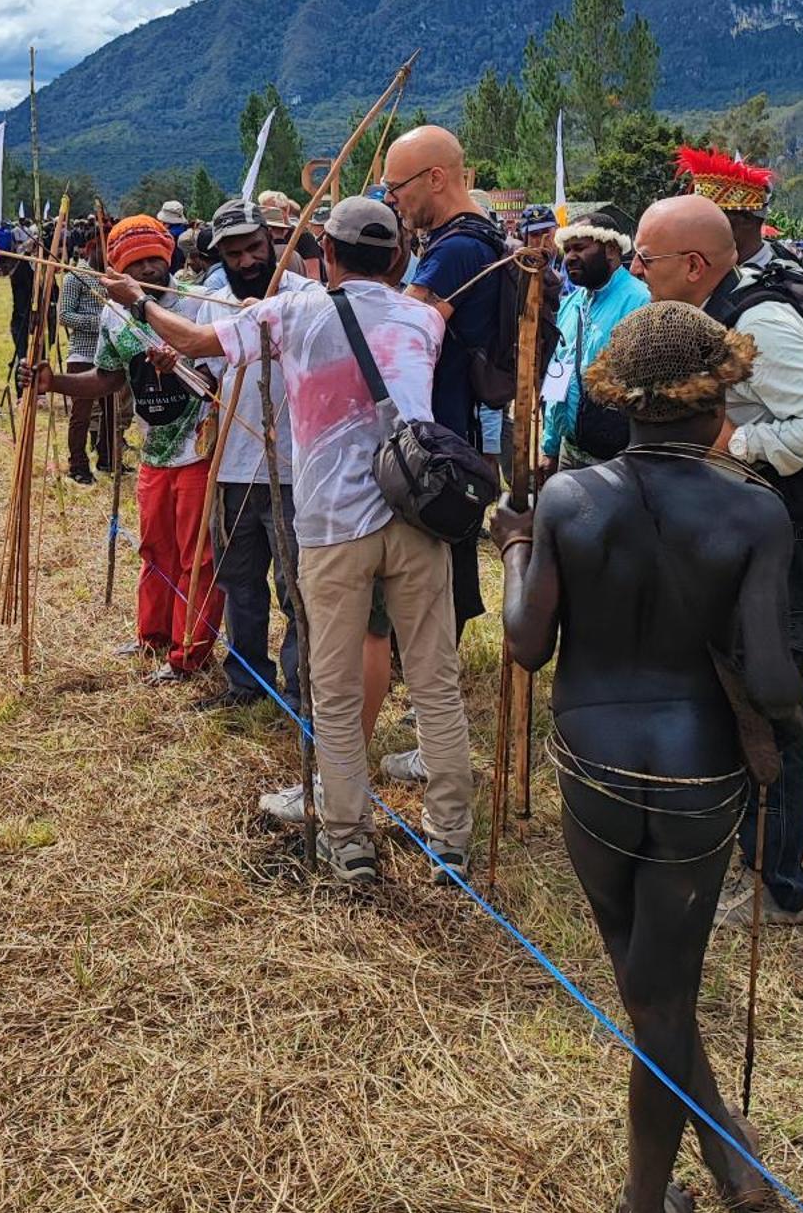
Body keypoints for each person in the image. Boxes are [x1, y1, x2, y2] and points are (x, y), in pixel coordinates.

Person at [492, 302, 801, 1213]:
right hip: (701, 776)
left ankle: (688, 1183)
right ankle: (684, 1187)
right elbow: (777, 680)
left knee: (647, 980)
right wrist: (779, 729)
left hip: (592, 766)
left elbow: (526, 644)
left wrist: (511, 546)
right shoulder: (754, 508)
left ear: (616, 396)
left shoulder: (570, 500)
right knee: (659, 989)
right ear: (720, 398)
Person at [110, 196, 475, 887]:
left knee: (333, 690)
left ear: (326, 254)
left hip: (334, 526)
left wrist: (135, 300)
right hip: (420, 517)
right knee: (434, 682)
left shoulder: (292, 312)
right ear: (396, 256)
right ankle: (449, 841)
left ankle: (348, 839)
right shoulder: (424, 319)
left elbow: (190, 343)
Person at [633, 190, 803, 926]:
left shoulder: (761, 321)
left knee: (771, 701)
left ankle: (778, 884)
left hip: (782, 539)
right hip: (740, 533)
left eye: (645, 259)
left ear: (691, 265)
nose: (636, 270)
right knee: (729, 692)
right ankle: (742, 851)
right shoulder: (713, 316)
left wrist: (735, 447)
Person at [28, 215, 224, 681]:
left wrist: (182, 366)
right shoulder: (113, 314)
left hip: (200, 450)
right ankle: (152, 637)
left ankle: (188, 654)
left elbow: (218, 380)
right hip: (153, 452)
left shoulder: (197, 305)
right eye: (138, 264)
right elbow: (108, 378)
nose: (150, 271)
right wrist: (54, 381)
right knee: (155, 548)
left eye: (157, 259)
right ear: (120, 270)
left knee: (196, 557)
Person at [381, 124, 503, 641]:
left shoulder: (457, 249)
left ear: (435, 178)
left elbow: (399, 329)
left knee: (431, 560)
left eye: (397, 187)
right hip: (455, 418)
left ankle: (431, 669)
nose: (393, 200)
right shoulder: (476, 237)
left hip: (440, 428)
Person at [189, 198, 309, 714]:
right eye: (233, 254)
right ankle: (245, 682)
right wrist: (175, 366)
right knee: (239, 579)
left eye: (254, 248)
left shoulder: (307, 299)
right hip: (234, 467)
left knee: (297, 587)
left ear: (272, 242)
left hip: (294, 470)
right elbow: (203, 381)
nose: (245, 263)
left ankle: (301, 689)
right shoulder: (212, 303)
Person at [542, 207, 649, 472]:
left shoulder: (642, 302)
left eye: (579, 248)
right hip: (570, 451)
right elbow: (559, 377)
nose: (570, 258)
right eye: (567, 251)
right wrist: (550, 446)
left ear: (611, 249)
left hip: (620, 461)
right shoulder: (570, 305)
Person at [59, 246, 104, 483]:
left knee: (110, 412)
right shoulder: (74, 277)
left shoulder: (109, 276)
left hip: (109, 354)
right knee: (81, 414)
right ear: (92, 248)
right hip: (83, 355)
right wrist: (100, 323)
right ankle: (78, 465)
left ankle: (107, 457)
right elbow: (64, 315)